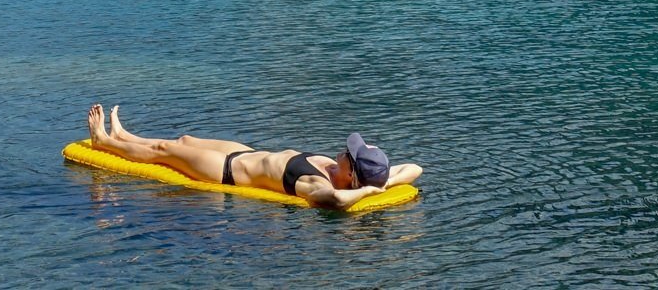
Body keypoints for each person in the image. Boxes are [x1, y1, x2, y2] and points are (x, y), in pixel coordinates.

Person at [86, 104, 422, 209]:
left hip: (227, 171)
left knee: (165, 151)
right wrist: (383, 181)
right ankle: (126, 136)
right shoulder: (344, 171)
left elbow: (334, 199)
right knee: (185, 138)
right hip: (245, 153)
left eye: (351, 154)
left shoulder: (315, 183)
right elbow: (414, 168)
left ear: (352, 174)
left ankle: (103, 141)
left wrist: (365, 191)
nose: (344, 150)